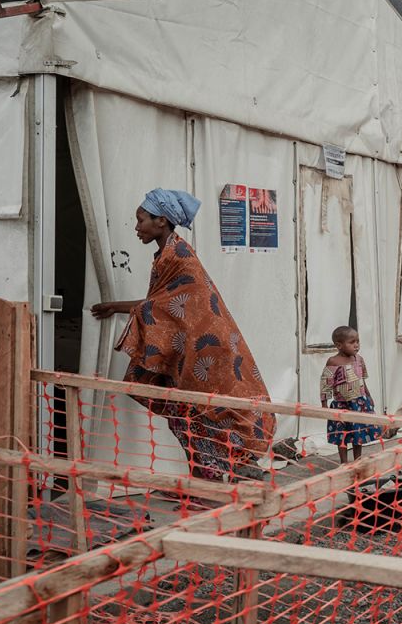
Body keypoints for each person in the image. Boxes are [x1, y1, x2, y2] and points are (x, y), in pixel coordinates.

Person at [91, 189, 275, 483]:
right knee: (185, 419)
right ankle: (208, 484)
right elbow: (164, 303)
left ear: (161, 220)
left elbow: (168, 305)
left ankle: (229, 476)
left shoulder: (179, 256)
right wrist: (117, 307)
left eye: (141, 220)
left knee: (203, 417)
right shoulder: (167, 255)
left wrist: (115, 306)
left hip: (207, 355)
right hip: (191, 355)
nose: (137, 227)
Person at [322, 326, 381, 463]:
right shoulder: (333, 362)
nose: (356, 345)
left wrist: (369, 396)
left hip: (359, 403)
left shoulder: (359, 359)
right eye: (352, 342)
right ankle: (344, 462)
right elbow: (326, 383)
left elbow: (362, 380)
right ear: (339, 345)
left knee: (357, 432)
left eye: (358, 341)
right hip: (341, 404)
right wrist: (324, 404)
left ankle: (358, 460)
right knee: (341, 433)